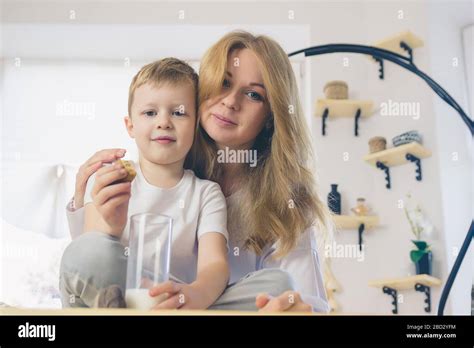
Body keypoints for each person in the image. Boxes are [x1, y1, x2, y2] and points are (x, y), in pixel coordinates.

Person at [63, 31, 332, 312]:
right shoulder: (155, 163)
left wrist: (294, 305)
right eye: (224, 83)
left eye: (253, 94)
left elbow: (306, 298)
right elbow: (92, 262)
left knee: (278, 284)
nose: (230, 102)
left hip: (207, 307)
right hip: (143, 298)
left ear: (270, 118)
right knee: (88, 254)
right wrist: (87, 206)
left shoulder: (276, 200)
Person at [60, 58, 230, 310]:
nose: (164, 122)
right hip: (113, 291)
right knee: (81, 253)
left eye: (178, 112)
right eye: (150, 113)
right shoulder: (110, 177)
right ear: (130, 126)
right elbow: (91, 249)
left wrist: (194, 295)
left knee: (273, 283)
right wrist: (112, 226)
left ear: (195, 126)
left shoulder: (206, 193)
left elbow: (214, 265)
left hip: (173, 301)